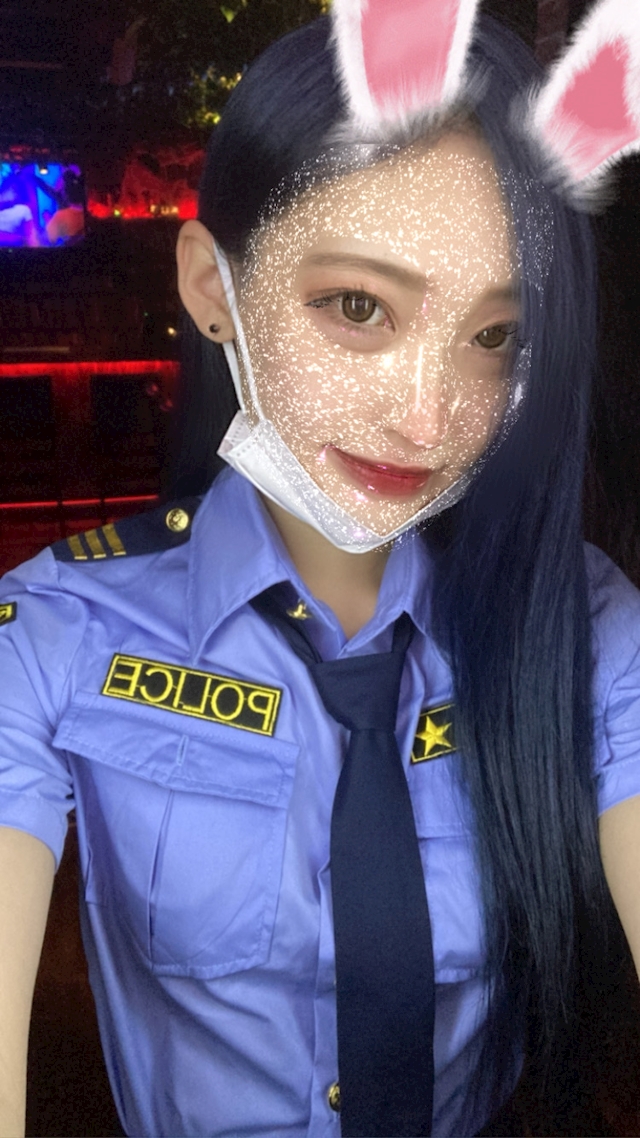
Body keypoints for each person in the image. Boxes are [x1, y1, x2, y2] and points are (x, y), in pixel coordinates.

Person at [0, 3, 639, 1137]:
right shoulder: (59, 630)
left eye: (493, 336)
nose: (428, 417)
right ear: (213, 287)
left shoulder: (583, 626)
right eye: (357, 307)